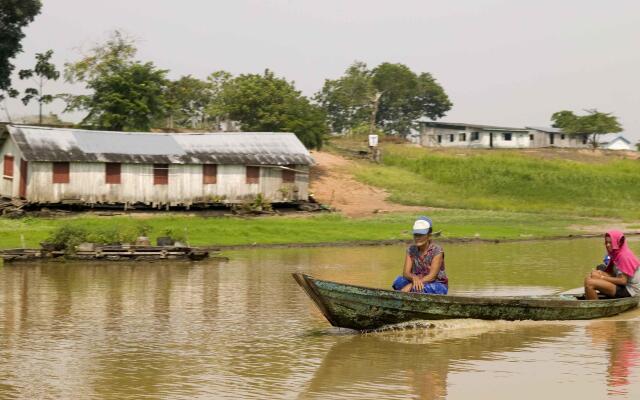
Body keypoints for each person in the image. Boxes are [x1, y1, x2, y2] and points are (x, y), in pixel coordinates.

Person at [392, 216, 448, 294]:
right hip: (417, 281)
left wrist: (412, 284)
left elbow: (432, 277)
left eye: (420, 235)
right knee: (398, 282)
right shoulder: (411, 250)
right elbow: (406, 273)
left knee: (418, 289)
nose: (417, 238)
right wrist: (414, 278)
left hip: (436, 284)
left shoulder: (437, 251)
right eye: (416, 235)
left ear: (429, 236)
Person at [584, 230, 640, 300]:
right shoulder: (615, 253)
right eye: (606, 242)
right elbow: (613, 273)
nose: (607, 245)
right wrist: (599, 273)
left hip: (630, 290)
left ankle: (596, 308)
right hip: (622, 284)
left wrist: (601, 277)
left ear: (618, 242)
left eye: (610, 242)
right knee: (588, 278)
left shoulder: (624, 256)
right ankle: (591, 300)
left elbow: (623, 281)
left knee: (590, 283)